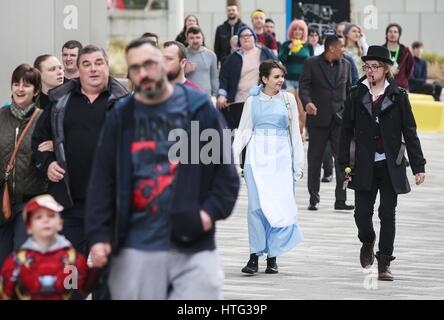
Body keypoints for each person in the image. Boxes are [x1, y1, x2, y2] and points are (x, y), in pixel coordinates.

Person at [84, 38, 240, 299]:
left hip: (191, 246)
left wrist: (205, 215)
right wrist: (99, 236)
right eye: (135, 68)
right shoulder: (122, 117)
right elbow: (103, 181)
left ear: (163, 64)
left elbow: (224, 175)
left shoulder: (196, 109)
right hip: (137, 246)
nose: (143, 73)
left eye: (149, 64)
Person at [31, 45, 129, 256]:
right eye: (86, 64)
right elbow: (39, 141)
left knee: (111, 274)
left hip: (111, 206)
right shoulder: (60, 103)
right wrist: (47, 163)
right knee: (71, 273)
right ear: (78, 70)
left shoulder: (126, 104)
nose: (93, 69)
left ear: (107, 66)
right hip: (69, 205)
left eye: (98, 63)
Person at [339, 45, 426, 281]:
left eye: (375, 67)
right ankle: (367, 240)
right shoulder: (357, 94)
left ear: (386, 69)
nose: (370, 71)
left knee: (388, 214)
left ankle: (384, 262)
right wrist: (343, 165)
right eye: (367, 66)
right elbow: (345, 131)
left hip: (390, 164)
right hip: (363, 164)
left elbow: (410, 131)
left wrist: (419, 166)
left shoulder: (398, 96)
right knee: (361, 214)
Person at [233, 60, 304, 274]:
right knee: (255, 207)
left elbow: (295, 135)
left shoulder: (289, 100)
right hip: (257, 157)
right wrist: (231, 159)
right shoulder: (252, 101)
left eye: (282, 76)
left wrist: (298, 165)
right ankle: (254, 255)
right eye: (276, 77)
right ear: (264, 79)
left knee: (278, 206)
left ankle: (272, 256)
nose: (281, 80)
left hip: (281, 159)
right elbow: (244, 131)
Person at [0, 195, 95, 300]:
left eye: (51, 216)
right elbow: (5, 294)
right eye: (38, 217)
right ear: (28, 227)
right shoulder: (16, 262)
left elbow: (77, 292)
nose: (45, 220)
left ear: (60, 223)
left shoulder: (72, 260)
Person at [299, 35, 354, 211]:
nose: (343, 49)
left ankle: (341, 200)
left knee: (343, 162)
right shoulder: (311, 63)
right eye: (341, 46)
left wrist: (350, 115)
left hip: (340, 121)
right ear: (332, 48)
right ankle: (313, 198)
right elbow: (304, 87)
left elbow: (350, 91)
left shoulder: (346, 65)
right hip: (318, 120)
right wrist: (307, 102)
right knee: (314, 161)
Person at [0, 64, 47, 267]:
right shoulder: (1, 117)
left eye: (26, 85)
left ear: (36, 90)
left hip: (30, 201)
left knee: (22, 255)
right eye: (16, 84)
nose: (20, 89)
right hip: (2, 199)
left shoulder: (44, 119)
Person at [218, 25, 276, 130]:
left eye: (249, 35)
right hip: (239, 100)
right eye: (242, 36)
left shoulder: (265, 53)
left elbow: (277, 70)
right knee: (242, 134)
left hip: (261, 100)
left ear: (254, 38)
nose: (246, 38)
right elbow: (223, 77)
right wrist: (222, 95)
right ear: (239, 40)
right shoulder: (233, 57)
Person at [279, 19, 313, 136]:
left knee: (301, 107)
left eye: (300, 29)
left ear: (304, 31)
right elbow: (281, 60)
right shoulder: (285, 44)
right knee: (289, 107)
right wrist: (289, 49)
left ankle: (301, 131)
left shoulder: (308, 46)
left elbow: (312, 63)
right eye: (295, 29)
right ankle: (290, 132)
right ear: (291, 31)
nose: (297, 31)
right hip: (288, 80)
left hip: (303, 81)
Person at [185, 26, 219, 97]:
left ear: (202, 38)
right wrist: (184, 71)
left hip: (206, 97)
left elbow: (214, 78)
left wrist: (216, 95)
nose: (195, 41)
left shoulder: (211, 55)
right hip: (187, 96)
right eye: (192, 38)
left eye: (198, 37)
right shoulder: (182, 54)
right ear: (187, 40)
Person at [382, 23, 414, 89]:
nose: (392, 34)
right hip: (383, 86)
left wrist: (402, 79)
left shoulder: (406, 51)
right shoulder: (381, 49)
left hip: (401, 86)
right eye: (390, 31)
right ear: (386, 34)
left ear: (399, 35)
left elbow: (410, 70)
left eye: (395, 32)